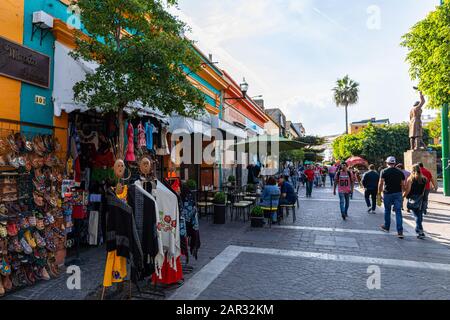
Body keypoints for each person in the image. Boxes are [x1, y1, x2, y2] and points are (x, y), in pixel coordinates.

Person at [378, 156, 406, 239]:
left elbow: (380, 183)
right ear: (394, 163)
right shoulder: (400, 172)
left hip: (387, 193)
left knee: (387, 210)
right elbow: (403, 184)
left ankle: (387, 227)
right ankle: (400, 231)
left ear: (387, 163)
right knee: (398, 212)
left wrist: (379, 193)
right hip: (398, 193)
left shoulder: (384, 171)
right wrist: (403, 193)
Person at [403, 164, 427, 239]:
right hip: (421, 198)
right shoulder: (424, 179)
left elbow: (408, 190)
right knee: (419, 215)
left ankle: (420, 232)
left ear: (412, 170)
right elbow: (423, 191)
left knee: (416, 216)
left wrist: (403, 196)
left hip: (413, 198)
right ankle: (420, 231)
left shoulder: (411, 179)